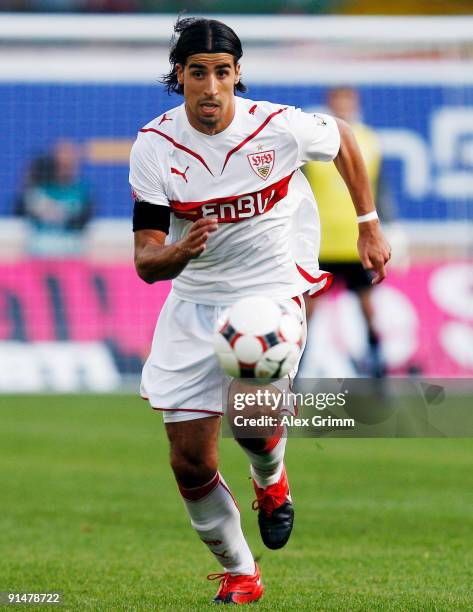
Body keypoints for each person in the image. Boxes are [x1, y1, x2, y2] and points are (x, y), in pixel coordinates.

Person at [129, 18, 390, 605]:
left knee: (250, 419)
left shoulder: (277, 127)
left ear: (237, 75)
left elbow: (344, 137)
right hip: (192, 301)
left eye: (223, 73)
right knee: (190, 463)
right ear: (181, 77)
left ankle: (271, 484)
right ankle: (241, 571)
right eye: (198, 73)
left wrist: (369, 226)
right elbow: (147, 261)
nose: (212, 87)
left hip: (269, 290)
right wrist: (177, 251)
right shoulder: (155, 146)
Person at [302, 87, 397, 378]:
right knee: (308, 313)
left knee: (368, 309)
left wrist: (389, 226)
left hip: (357, 242)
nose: (342, 106)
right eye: (337, 101)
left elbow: (378, 188)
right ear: (329, 104)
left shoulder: (368, 141)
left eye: (347, 101)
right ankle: (295, 370)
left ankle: (377, 364)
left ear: (355, 104)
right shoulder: (313, 143)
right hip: (321, 242)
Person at [15, 140, 93, 257]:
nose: (66, 166)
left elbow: (85, 221)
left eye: (70, 162)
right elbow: (18, 212)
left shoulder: (83, 191)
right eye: (61, 162)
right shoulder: (39, 189)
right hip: (39, 248)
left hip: (72, 249)